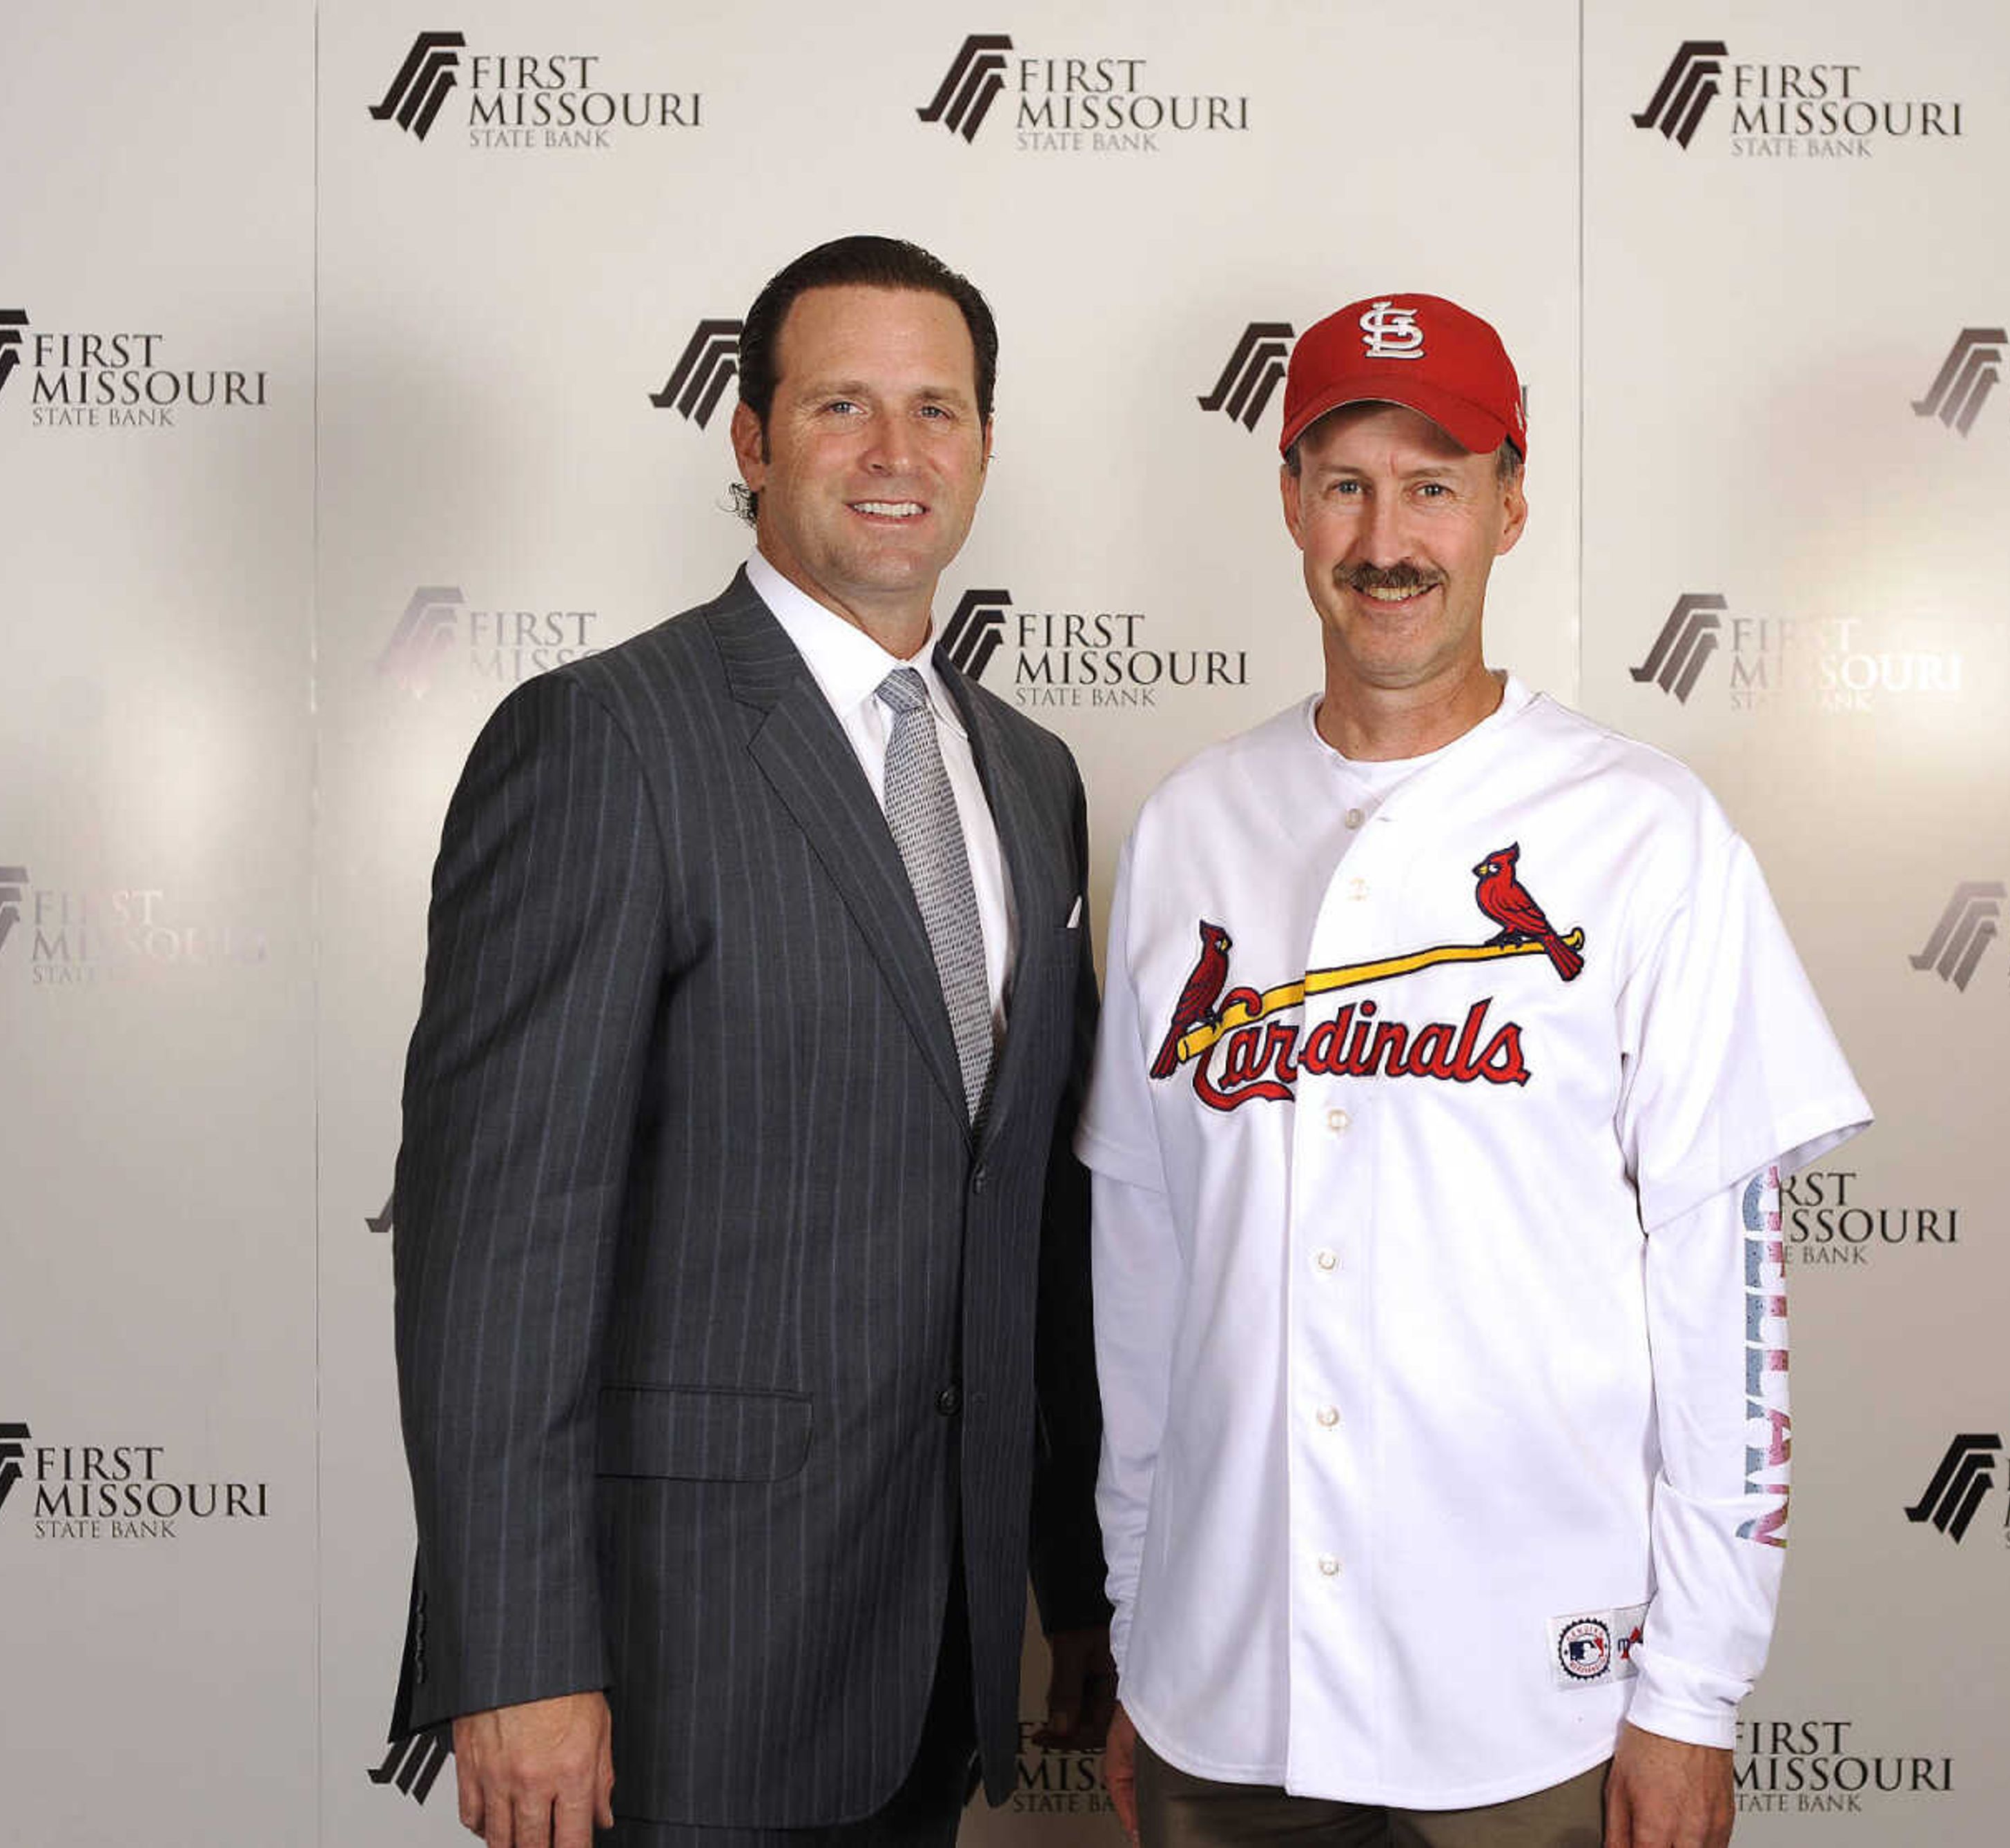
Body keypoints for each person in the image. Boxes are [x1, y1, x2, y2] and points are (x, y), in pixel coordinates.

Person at [1078, 293, 1871, 1848]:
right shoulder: (1190, 827)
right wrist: (1135, 1613)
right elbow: (1141, 1260)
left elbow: (1726, 1294)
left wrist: (1694, 1692)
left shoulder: (1645, 830)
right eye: (1349, 480)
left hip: (1531, 1699)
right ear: (1293, 502)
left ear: (1512, 503)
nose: (1390, 536)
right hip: (1224, 1690)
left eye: (1436, 482)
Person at [387, 234, 1112, 1848]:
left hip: (937, 1655)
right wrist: (514, 1662)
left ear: (986, 444)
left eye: (937, 408)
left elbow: (1026, 1214)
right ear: (750, 438)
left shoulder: (1034, 777)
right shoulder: (602, 742)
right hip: (673, 1675)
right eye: (841, 403)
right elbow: (494, 1249)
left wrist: (1070, 1574)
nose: (895, 453)